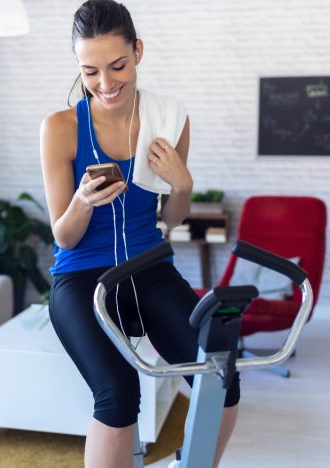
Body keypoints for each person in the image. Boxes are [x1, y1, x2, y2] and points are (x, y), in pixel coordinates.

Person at [39, 1, 240, 466]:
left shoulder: (169, 120)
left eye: (117, 66)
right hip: (82, 277)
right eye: (90, 72)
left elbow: (171, 220)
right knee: (117, 395)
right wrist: (82, 202)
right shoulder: (61, 129)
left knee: (220, 377)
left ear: (138, 52)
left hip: (150, 268)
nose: (106, 84)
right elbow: (64, 238)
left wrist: (182, 183)